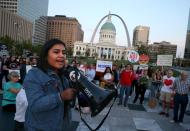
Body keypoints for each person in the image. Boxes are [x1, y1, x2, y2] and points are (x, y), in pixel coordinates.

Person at [23, 39, 76, 130]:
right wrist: (60, 96)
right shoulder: (34, 75)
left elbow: (67, 104)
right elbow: (35, 105)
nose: (61, 55)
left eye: (63, 53)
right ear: (45, 56)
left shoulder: (64, 76)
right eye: (56, 52)